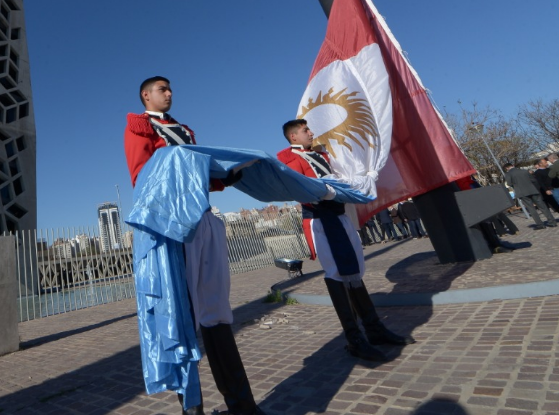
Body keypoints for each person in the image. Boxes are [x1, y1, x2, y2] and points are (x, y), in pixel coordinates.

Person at [125, 76, 263, 415]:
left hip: (202, 219)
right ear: (146, 95)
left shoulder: (184, 130)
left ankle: (242, 404)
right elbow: (142, 176)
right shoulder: (139, 129)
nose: (169, 93)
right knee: (182, 317)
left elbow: (198, 176)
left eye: (170, 89)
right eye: (162, 89)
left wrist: (224, 177)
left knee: (216, 311)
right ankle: (193, 409)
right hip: (173, 228)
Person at [277, 119, 415, 361]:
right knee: (338, 275)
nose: (311, 132)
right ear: (293, 137)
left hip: (339, 215)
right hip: (321, 219)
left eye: (309, 128)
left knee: (354, 271)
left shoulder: (320, 155)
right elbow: (297, 189)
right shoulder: (289, 158)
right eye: (305, 130)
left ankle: (374, 329)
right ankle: (354, 339)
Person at [504, 163, 556, 229]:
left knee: (531, 209)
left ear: (507, 168)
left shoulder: (508, 174)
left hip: (522, 192)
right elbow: (533, 180)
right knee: (543, 206)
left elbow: (509, 183)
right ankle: (552, 222)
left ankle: (540, 224)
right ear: (513, 166)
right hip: (532, 190)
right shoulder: (524, 171)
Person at [534, 157, 559, 222]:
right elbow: (541, 183)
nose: (547, 163)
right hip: (553, 189)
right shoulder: (538, 172)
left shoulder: (550, 169)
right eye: (545, 162)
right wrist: (546, 190)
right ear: (540, 164)